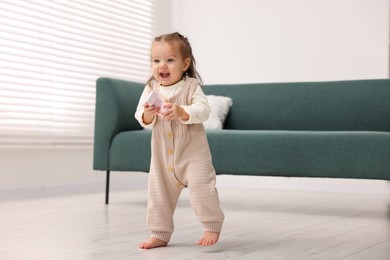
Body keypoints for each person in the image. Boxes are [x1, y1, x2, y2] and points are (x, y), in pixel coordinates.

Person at [135, 32, 224, 249]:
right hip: (162, 159)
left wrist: (182, 111)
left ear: (185, 64)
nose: (161, 66)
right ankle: (160, 233)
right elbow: (141, 118)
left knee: (203, 188)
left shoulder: (191, 87)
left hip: (193, 155)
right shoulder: (151, 90)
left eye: (169, 60)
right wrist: (149, 112)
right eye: (156, 60)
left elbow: (203, 110)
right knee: (158, 196)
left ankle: (211, 224)